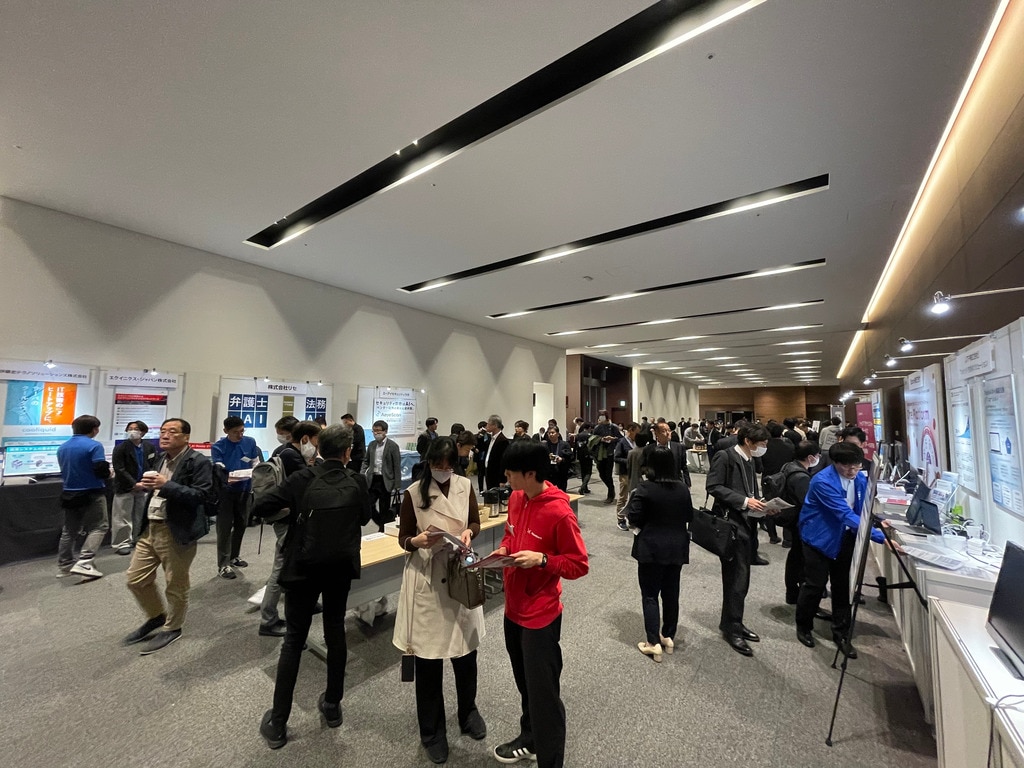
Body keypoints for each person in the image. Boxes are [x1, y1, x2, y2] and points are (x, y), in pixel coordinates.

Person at [257, 424, 372, 749]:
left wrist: (292, 515)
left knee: (294, 640)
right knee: (335, 632)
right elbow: (365, 518)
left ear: (319, 449)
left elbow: (261, 506)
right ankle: (332, 705)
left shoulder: (302, 479)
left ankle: (279, 722)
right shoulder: (356, 480)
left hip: (302, 569)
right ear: (347, 452)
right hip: (340, 568)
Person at [489, 441, 589, 768]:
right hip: (513, 609)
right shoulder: (517, 498)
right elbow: (510, 534)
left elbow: (578, 565)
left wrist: (543, 560)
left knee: (544, 696)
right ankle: (530, 739)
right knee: (525, 686)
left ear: (530, 474)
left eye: (511, 473)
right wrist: (505, 550)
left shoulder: (559, 512)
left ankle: (550, 760)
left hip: (540, 616)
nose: (506, 477)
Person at [393, 438, 486, 764]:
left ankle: (468, 712)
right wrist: (416, 540)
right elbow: (404, 538)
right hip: (428, 578)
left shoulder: (464, 486)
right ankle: (432, 731)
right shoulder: (413, 494)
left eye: (449, 466)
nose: (444, 471)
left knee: (466, 654)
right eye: (438, 465)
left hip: (459, 572)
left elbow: (474, 521)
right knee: (429, 660)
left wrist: (469, 533)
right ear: (429, 463)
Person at [124, 418, 214, 654]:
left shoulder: (198, 461)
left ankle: (173, 627)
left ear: (186, 437)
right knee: (135, 579)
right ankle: (156, 616)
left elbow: (201, 496)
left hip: (176, 529)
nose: (165, 435)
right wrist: (149, 486)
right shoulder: (159, 458)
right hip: (150, 526)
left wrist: (166, 485)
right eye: (163, 431)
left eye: (172, 432)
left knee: (175, 583)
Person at [796, 442, 886, 658]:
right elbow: (844, 514)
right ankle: (804, 625)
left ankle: (841, 632)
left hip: (846, 538)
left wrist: (878, 522)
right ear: (835, 463)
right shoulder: (822, 482)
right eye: (846, 466)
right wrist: (881, 538)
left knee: (843, 585)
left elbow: (863, 509)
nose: (851, 470)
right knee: (815, 585)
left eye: (856, 465)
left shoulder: (861, 478)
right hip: (819, 538)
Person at [706, 422, 770, 656]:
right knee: (735, 579)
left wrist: (761, 505)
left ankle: (734, 622)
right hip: (731, 525)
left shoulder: (749, 458)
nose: (764, 448)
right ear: (748, 441)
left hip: (747, 524)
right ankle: (732, 627)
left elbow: (749, 489)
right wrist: (744, 501)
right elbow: (713, 486)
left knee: (742, 579)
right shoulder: (725, 456)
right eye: (761, 444)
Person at [626, 449, 693, 663]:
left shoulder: (645, 488)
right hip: (677, 546)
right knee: (671, 593)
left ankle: (653, 642)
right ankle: (668, 636)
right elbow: (689, 516)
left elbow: (633, 517)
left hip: (651, 547)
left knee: (650, 594)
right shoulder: (682, 488)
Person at [259, 420, 322, 638]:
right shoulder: (291, 457)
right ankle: (268, 619)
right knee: (281, 567)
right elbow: (308, 483)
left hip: (289, 517)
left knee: (297, 563)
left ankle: (306, 602)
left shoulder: (285, 451)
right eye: (316, 441)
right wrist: (315, 463)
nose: (317, 446)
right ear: (305, 439)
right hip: (287, 519)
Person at [56, 414, 111, 579]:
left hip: (69, 493)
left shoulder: (62, 447)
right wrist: (109, 473)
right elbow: (100, 469)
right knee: (99, 527)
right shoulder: (94, 446)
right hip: (92, 492)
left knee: (69, 530)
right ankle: (85, 562)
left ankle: (65, 566)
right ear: (94, 430)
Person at [211, 416, 261, 579]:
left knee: (242, 524)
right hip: (226, 492)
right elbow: (219, 468)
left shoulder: (250, 442)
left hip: (245, 490)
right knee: (224, 528)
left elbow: (255, 462)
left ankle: (234, 556)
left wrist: (255, 473)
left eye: (242, 431)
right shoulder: (218, 447)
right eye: (235, 432)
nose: (240, 435)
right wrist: (228, 475)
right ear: (226, 431)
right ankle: (223, 564)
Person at [774, 441, 819, 606]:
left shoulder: (788, 466)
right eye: (817, 455)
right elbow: (808, 503)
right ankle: (794, 592)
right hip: (799, 521)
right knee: (799, 557)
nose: (819, 458)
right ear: (810, 457)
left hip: (791, 518)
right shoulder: (801, 477)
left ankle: (792, 592)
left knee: (795, 555)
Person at [111, 419, 156, 555]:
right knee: (122, 517)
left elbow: (152, 464)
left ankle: (139, 539)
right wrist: (134, 484)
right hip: (126, 487)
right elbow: (120, 469)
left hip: (143, 486)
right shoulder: (121, 448)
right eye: (129, 428)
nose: (132, 431)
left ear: (143, 432)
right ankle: (122, 543)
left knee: (140, 515)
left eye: (135, 429)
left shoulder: (149, 447)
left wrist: (145, 482)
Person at [363, 419, 402, 532]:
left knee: (384, 507)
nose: (376, 433)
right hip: (373, 479)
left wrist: (397, 485)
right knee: (369, 505)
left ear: (385, 431)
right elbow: (366, 460)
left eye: (378, 431)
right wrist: (362, 472)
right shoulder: (371, 445)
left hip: (386, 480)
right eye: (374, 431)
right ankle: (381, 522)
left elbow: (396, 466)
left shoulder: (392, 446)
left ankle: (382, 529)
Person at [641, 422, 691, 489]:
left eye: (669, 430)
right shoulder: (648, 449)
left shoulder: (679, 447)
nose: (668, 433)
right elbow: (643, 466)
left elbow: (684, 467)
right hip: (655, 485)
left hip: (675, 484)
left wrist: (688, 483)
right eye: (664, 431)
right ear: (656, 433)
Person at [589, 410, 622, 504]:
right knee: (602, 474)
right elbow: (592, 439)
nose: (601, 417)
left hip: (610, 453)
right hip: (600, 454)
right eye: (600, 415)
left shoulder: (613, 427)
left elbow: (621, 439)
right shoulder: (598, 427)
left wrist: (613, 439)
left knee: (608, 475)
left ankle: (610, 494)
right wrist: (601, 439)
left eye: (603, 415)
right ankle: (611, 488)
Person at [612, 422, 639, 531]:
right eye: (636, 432)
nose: (638, 435)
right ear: (631, 430)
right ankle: (620, 519)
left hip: (635, 473)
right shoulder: (622, 442)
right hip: (625, 474)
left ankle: (632, 519)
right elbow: (616, 458)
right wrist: (629, 460)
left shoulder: (636, 442)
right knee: (623, 497)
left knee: (634, 496)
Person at [542, 427, 573, 491]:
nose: (551, 434)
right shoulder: (544, 445)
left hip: (561, 472)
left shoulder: (564, 444)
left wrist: (562, 459)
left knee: (561, 491)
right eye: (549, 433)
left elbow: (571, 457)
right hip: (549, 473)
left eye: (552, 433)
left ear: (558, 434)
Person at [482, 415, 509, 490]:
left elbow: (503, 461)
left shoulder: (503, 440)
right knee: (489, 491)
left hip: (496, 473)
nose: (486, 426)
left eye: (488, 424)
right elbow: (482, 448)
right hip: (488, 470)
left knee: (496, 494)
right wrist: (480, 435)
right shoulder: (490, 438)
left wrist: (502, 480)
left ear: (495, 425)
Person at [574, 422, 593, 494]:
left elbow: (575, 446)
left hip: (580, 455)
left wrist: (575, 456)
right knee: (588, 472)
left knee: (583, 472)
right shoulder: (590, 436)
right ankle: (583, 487)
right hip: (588, 456)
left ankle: (585, 488)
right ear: (589, 428)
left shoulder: (578, 435)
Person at [473, 421, 490, 494]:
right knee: (480, 474)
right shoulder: (476, 436)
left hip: (487, 455)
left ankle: (489, 488)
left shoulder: (489, 436)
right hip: (480, 456)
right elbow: (473, 445)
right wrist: (480, 435)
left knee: (487, 473)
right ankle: (481, 489)